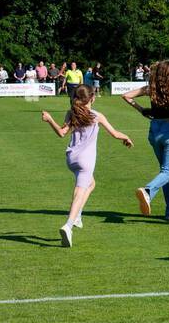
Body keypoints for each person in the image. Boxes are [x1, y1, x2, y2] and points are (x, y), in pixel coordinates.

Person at [41, 85, 133, 246]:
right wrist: (126, 138)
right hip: (86, 161)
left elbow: (62, 133)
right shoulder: (97, 116)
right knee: (79, 191)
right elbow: (115, 133)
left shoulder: (71, 113)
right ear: (92, 98)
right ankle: (68, 225)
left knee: (91, 184)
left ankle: (77, 216)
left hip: (71, 158)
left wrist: (50, 119)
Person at [122, 61, 169, 219]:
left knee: (167, 171)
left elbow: (126, 96)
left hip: (154, 131)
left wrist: (142, 110)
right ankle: (148, 191)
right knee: (167, 172)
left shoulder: (151, 88)